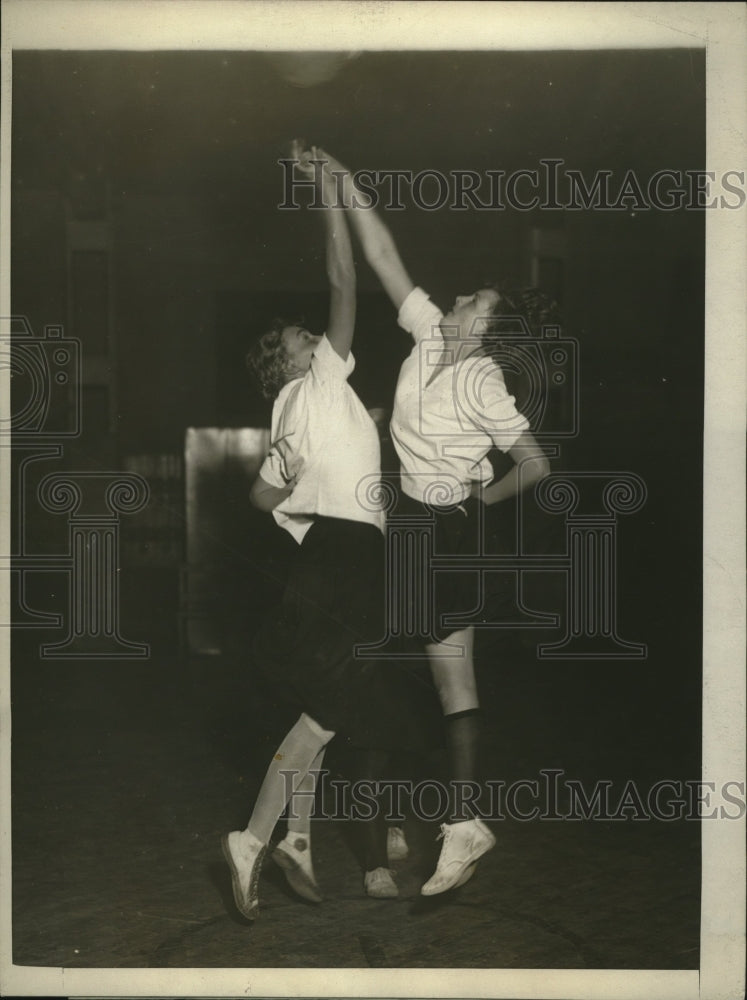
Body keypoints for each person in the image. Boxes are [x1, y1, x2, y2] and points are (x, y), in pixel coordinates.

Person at [307, 146, 553, 895]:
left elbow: (537, 463)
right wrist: (343, 181)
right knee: (393, 673)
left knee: (445, 681)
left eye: (471, 299)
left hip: (448, 531)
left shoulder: (482, 378)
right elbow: (381, 256)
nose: (455, 299)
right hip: (409, 526)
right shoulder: (424, 338)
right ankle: (410, 825)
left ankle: (459, 821)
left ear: (482, 324)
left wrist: (477, 500)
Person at [222, 147, 440, 920]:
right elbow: (346, 282)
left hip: (332, 561)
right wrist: (327, 193)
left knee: (325, 712)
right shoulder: (316, 383)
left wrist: (279, 478)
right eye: (298, 336)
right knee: (342, 709)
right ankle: (264, 838)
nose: (314, 334)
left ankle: (290, 838)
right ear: (287, 362)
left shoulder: (288, 415)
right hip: (346, 559)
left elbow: (258, 500)